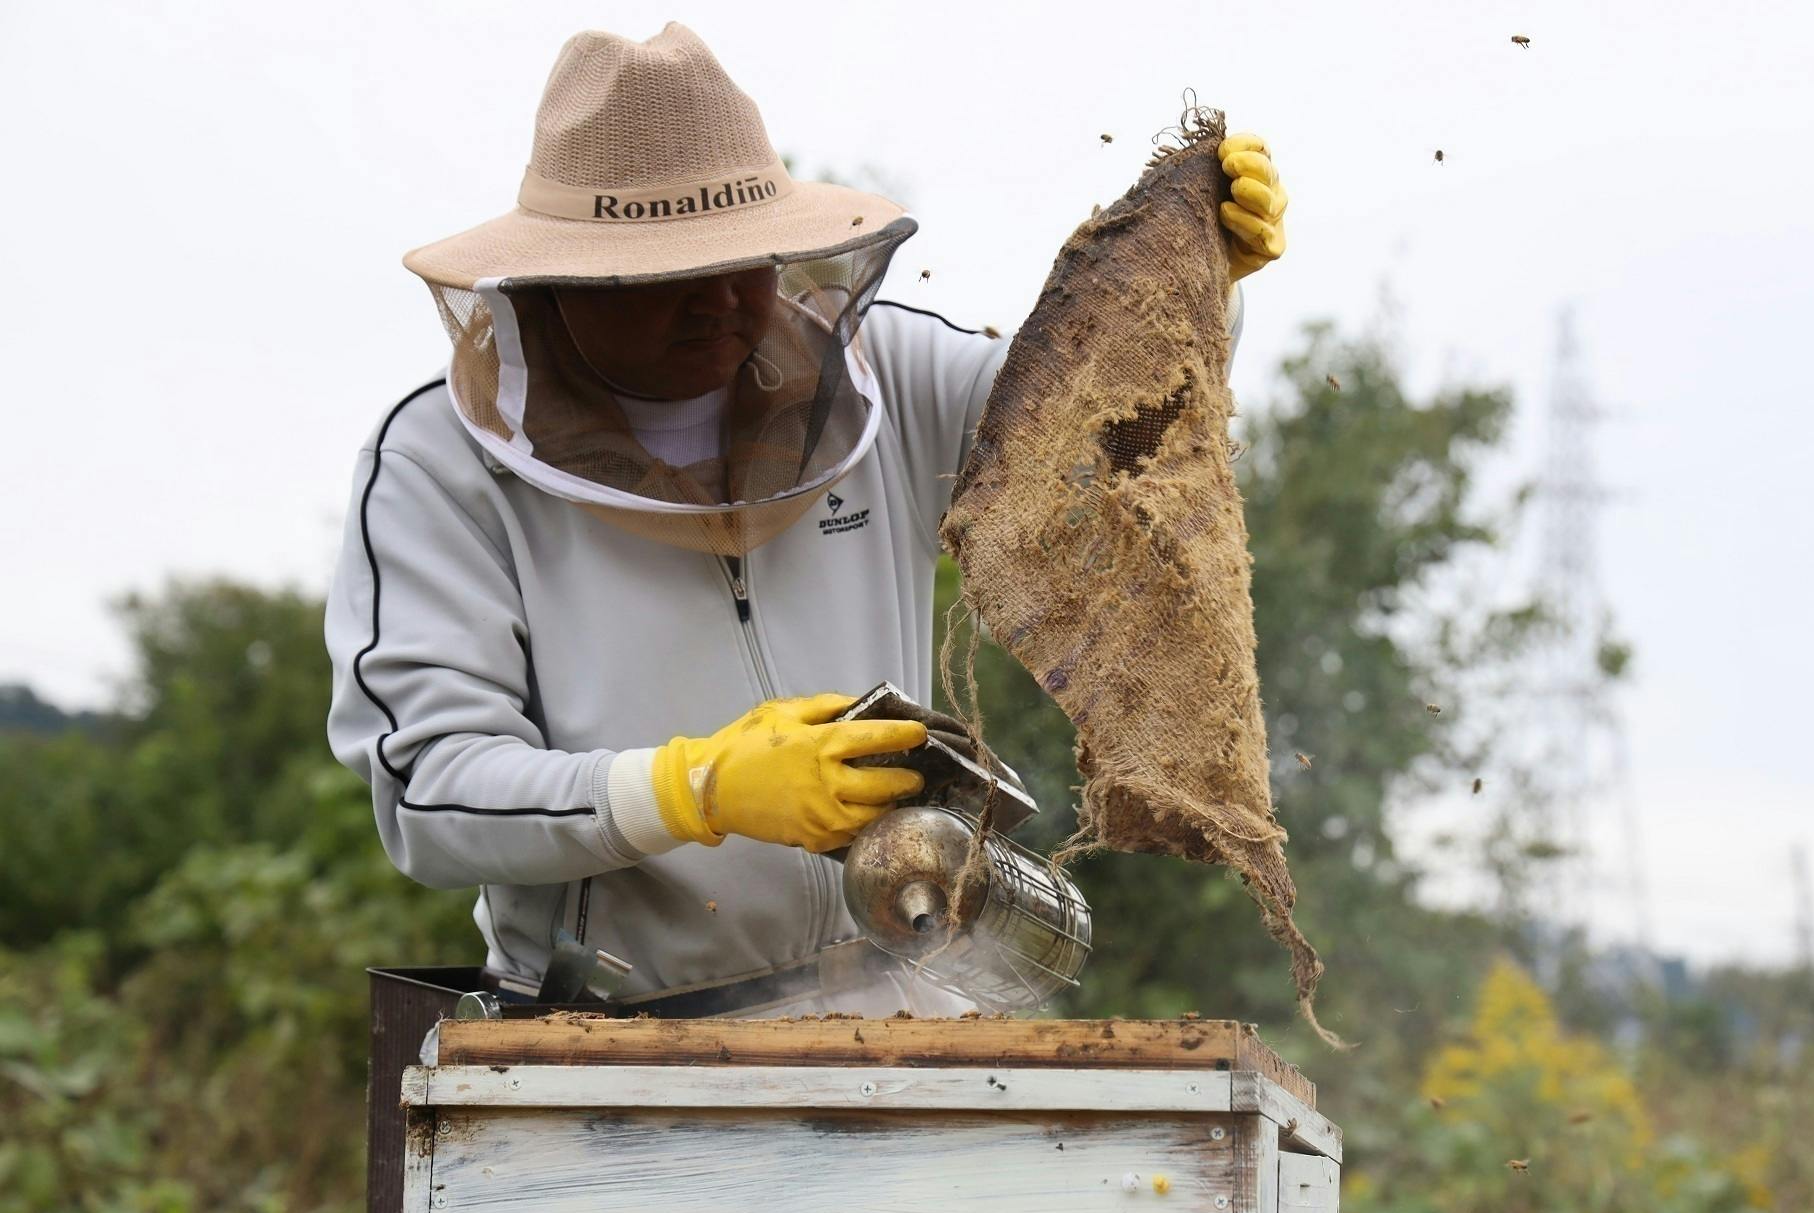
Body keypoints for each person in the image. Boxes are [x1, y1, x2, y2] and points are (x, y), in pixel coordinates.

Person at [326, 23, 1288, 1018]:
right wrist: (692, 788)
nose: (725, 302)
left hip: (900, 1007)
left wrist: (1190, 278)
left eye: (747, 259)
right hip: (607, 1042)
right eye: (671, 274)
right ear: (561, 277)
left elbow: (1090, 423)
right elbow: (432, 796)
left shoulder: (890, 377)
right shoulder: (439, 467)